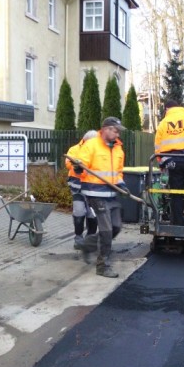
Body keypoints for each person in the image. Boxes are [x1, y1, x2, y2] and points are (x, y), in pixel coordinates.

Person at [73, 117, 127, 278]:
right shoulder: (91, 145)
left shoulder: (118, 150)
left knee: (116, 226)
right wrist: (78, 166)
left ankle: (87, 244)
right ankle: (103, 266)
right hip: (95, 193)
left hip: (111, 194)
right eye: (115, 130)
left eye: (118, 131)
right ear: (106, 129)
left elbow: (117, 173)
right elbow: (80, 167)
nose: (117, 134)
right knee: (107, 230)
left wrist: (121, 184)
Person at [65, 130, 98, 250]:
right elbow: (68, 163)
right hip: (77, 186)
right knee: (79, 211)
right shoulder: (74, 150)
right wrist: (76, 166)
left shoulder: (97, 150)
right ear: (85, 141)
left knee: (92, 214)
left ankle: (90, 238)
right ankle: (78, 238)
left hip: (93, 187)